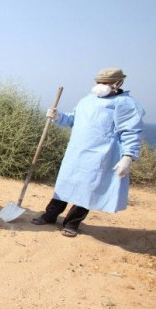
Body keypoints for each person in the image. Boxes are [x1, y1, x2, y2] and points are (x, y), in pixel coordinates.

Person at [31, 68, 145, 237]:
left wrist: (128, 156)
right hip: (76, 153)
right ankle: (50, 215)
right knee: (65, 184)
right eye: (98, 82)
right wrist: (58, 117)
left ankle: (72, 223)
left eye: (105, 83)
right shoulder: (88, 100)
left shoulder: (126, 104)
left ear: (118, 83)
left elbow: (131, 132)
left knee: (88, 189)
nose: (101, 86)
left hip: (101, 155)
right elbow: (73, 120)